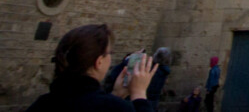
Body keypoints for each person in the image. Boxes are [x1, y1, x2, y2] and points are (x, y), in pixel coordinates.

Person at [26, 24, 157, 112]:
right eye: (110, 53)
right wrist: (139, 94)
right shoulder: (113, 107)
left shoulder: (43, 103)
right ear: (99, 62)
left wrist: (116, 95)